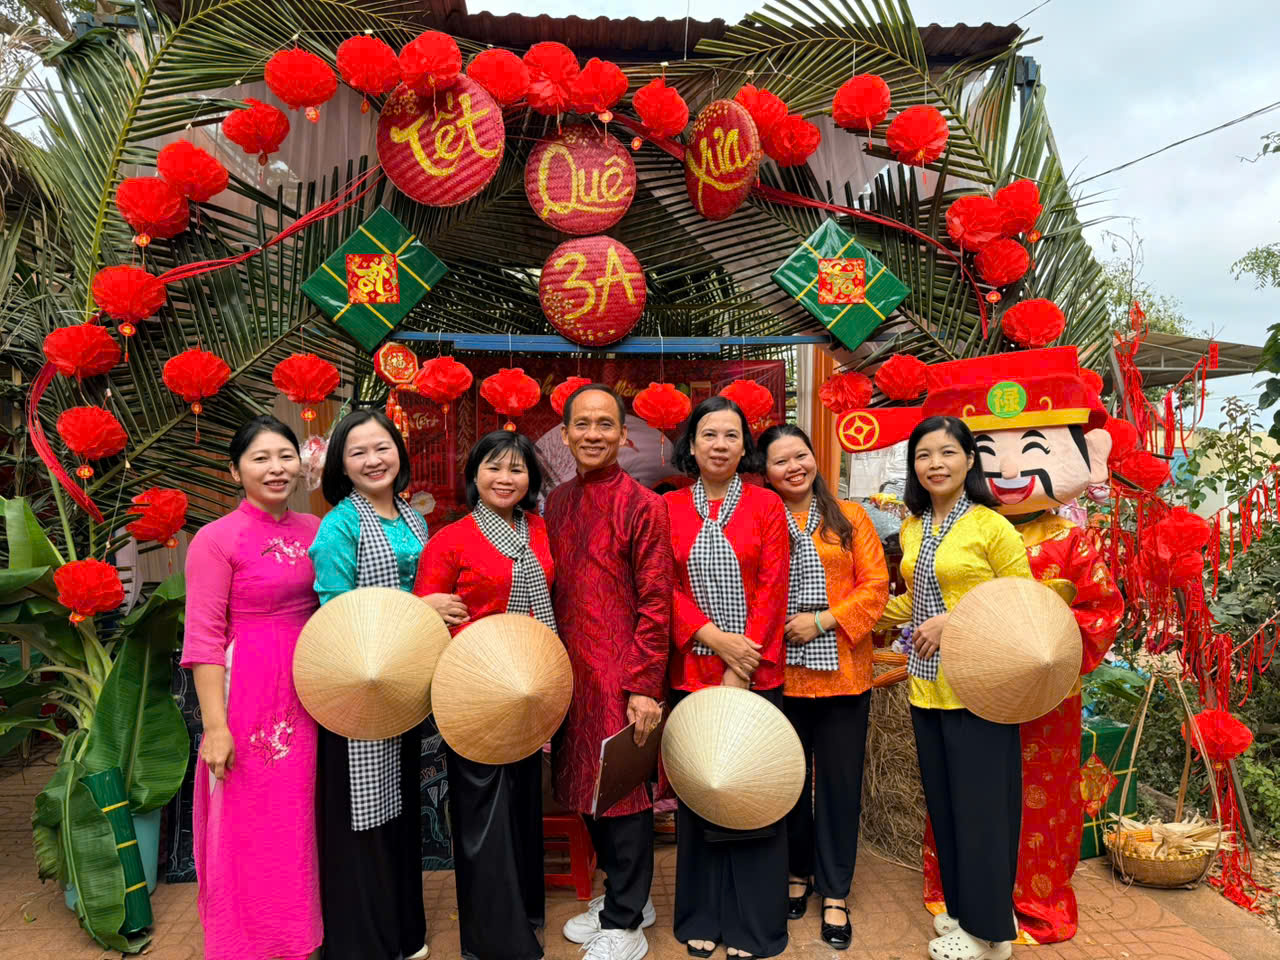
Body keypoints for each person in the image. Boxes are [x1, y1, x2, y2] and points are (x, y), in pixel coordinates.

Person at [309, 409, 467, 960]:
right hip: (357, 688)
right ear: (341, 465)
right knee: (363, 813)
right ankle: (363, 942)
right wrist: (420, 607)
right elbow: (336, 613)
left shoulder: (412, 516)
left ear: (399, 452)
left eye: (382, 447)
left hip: (401, 686)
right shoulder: (339, 526)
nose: (373, 460)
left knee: (396, 808)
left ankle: (403, 931)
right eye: (358, 452)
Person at [876, 416, 1033, 960]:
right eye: (923, 455)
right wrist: (852, 615)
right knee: (947, 809)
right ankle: (967, 914)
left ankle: (991, 934)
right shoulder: (915, 527)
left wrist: (955, 620)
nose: (935, 464)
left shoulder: (992, 526)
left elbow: (1023, 602)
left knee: (983, 812)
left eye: (947, 452)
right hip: (927, 686)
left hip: (980, 689)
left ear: (969, 459)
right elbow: (915, 601)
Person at [182, 415, 323, 960]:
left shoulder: (315, 529)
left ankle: (299, 937)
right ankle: (247, 943)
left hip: (312, 690)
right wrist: (215, 728)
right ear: (235, 470)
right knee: (251, 820)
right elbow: (203, 640)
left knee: (299, 819)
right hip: (250, 695)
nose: (276, 468)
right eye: (260, 458)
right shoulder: (215, 540)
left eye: (285, 456)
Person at [543, 383, 675, 960]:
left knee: (622, 795)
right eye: (582, 424)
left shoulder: (644, 505)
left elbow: (657, 601)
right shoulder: (557, 503)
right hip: (569, 672)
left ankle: (625, 921)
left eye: (605, 424)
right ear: (565, 434)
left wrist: (644, 686)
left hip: (622, 673)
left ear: (623, 435)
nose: (593, 434)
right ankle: (628, 897)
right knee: (582, 788)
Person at [412, 431, 552, 960]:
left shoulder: (537, 529)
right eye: (494, 467)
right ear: (474, 475)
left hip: (529, 688)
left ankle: (526, 916)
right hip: (473, 692)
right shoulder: (451, 539)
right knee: (483, 813)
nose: (505, 478)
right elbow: (427, 618)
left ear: (531, 479)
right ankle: (494, 941)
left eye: (517, 469)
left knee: (522, 805)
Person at [665, 396, 791, 960]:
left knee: (755, 792)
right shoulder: (668, 507)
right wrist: (714, 639)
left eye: (731, 435)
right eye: (709, 434)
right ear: (691, 445)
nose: (720, 445)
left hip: (755, 671)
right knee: (702, 791)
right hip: (693, 671)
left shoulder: (766, 505)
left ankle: (752, 923)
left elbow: (772, 587)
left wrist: (742, 666)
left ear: (745, 447)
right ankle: (703, 913)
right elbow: (661, 585)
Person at [758, 424, 890, 951]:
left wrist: (823, 620)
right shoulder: (762, 518)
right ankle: (797, 872)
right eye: (780, 461)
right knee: (790, 784)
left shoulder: (850, 516)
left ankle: (835, 890)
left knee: (838, 787)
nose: (794, 467)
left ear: (815, 458)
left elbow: (875, 586)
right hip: (780, 676)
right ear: (765, 472)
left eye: (801, 456)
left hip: (843, 674)